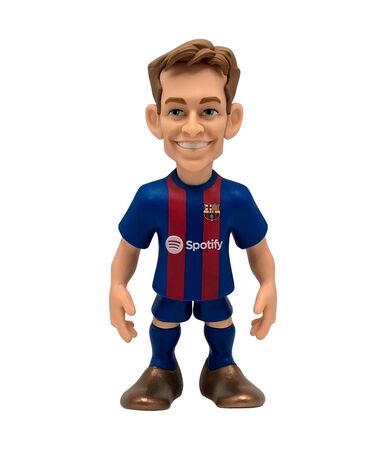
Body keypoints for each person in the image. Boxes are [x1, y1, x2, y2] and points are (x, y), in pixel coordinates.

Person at [109, 39, 277, 410]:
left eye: (209, 110)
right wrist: (117, 286)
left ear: (232, 119)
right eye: (176, 111)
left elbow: (258, 248)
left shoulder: (236, 198)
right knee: (164, 323)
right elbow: (128, 248)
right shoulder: (151, 198)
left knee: (220, 322)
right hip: (171, 286)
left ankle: (221, 368)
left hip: (215, 286)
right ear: (155, 120)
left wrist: (268, 284)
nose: (193, 128)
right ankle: (161, 369)